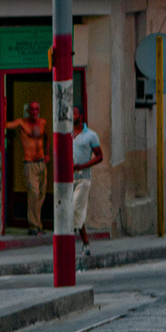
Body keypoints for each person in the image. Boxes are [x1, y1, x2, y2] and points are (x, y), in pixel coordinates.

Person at [2, 102, 50, 234]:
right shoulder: (22, 123)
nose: (34, 112)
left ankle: (37, 223)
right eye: (32, 109)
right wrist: (3, 107)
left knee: (41, 193)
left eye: (36, 109)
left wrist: (47, 154)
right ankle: (33, 225)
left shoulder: (42, 123)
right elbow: (4, 125)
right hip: (29, 163)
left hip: (41, 162)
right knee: (33, 193)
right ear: (28, 111)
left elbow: (48, 137)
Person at [71, 108, 104, 255]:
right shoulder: (66, 133)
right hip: (67, 180)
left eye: (75, 113)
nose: (72, 116)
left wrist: (82, 166)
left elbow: (99, 156)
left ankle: (68, 242)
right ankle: (85, 243)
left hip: (83, 178)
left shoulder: (91, 135)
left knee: (74, 209)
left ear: (81, 116)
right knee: (77, 212)